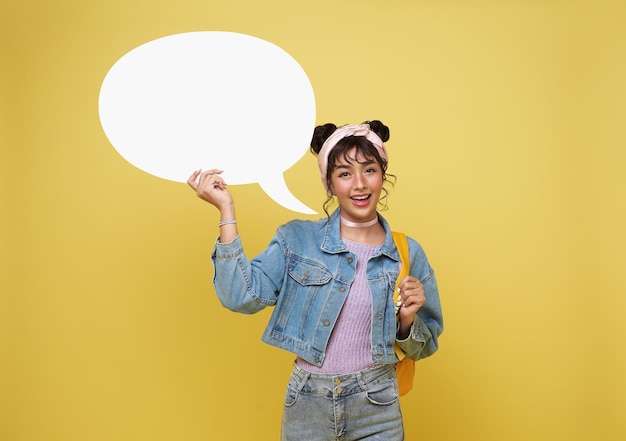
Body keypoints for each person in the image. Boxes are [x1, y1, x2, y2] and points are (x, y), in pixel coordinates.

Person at [188, 120, 443, 441]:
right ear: (330, 184)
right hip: (309, 402)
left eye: (369, 170)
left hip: (377, 402)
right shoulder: (297, 240)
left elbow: (426, 345)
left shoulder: (406, 252)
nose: (359, 184)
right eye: (345, 174)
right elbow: (241, 296)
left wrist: (406, 322)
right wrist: (226, 210)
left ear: (383, 175)